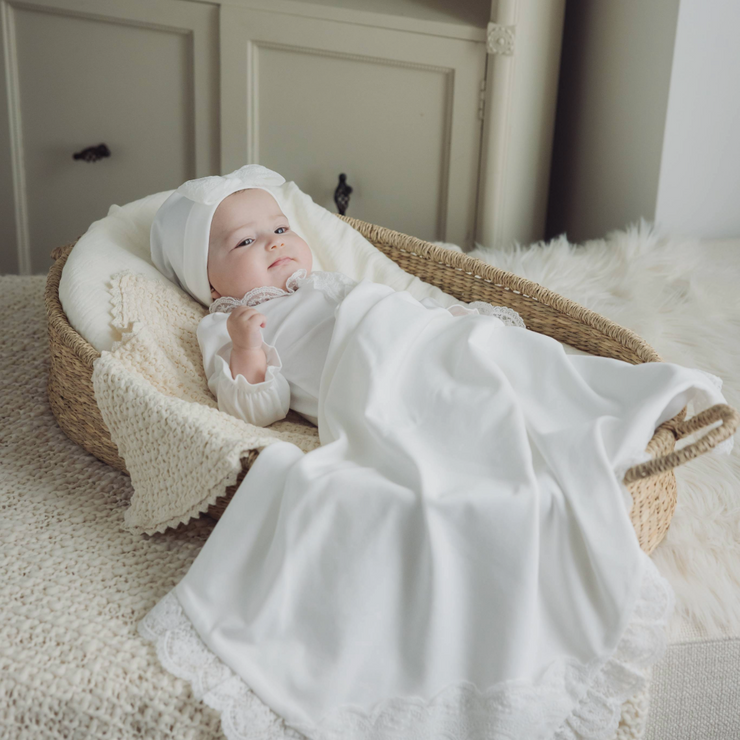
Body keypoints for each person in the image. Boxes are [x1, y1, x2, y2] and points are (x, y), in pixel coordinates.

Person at [150, 164, 526, 428]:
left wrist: (446, 319)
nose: (275, 241)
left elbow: (390, 307)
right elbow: (260, 412)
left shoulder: (320, 281)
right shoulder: (228, 325)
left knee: (508, 367)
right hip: (375, 381)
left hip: (416, 336)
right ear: (209, 282)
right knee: (472, 409)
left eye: (280, 227)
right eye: (246, 240)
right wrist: (247, 350)